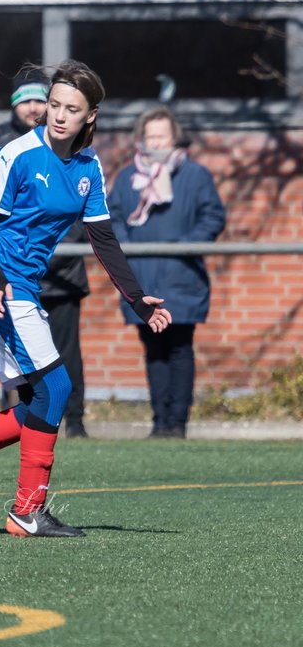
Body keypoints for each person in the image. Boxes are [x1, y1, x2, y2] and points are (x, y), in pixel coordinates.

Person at [0, 60, 172, 539]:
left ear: (91, 116)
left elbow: (103, 240)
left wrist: (137, 299)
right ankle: (27, 512)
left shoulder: (88, 167)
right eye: (54, 105)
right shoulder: (17, 154)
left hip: (25, 288)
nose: (59, 116)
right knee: (56, 390)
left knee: (38, 403)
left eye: (72, 109)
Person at [0, 68, 91, 438]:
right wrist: (8, 249)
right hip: (9, 272)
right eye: (30, 100)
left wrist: (54, 245)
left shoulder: (80, 155)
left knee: (65, 359)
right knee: (26, 374)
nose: (37, 107)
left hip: (63, 270)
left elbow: (82, 210)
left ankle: (76, 422)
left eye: (40, 99)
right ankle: (14, 428)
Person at [107, 107, 226, 439]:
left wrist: (186, 244)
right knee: (153, 348)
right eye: (151, 136)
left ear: (175, 137)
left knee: (180, 348)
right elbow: (112, 218)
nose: (156, 142)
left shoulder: (196, 175)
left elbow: (212, 217)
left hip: (182, 275)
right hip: (143, 278)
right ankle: (160, 422)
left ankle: (178, 423)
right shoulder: (128, 177)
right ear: (142, 139)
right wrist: (127, 248)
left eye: (162, 135)